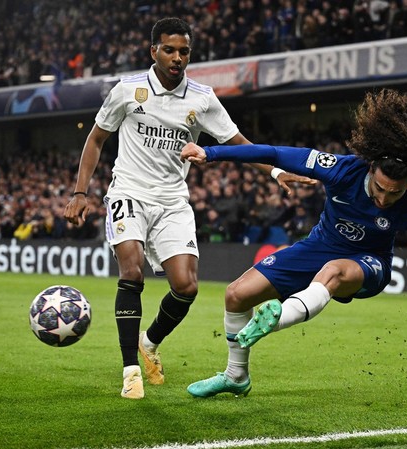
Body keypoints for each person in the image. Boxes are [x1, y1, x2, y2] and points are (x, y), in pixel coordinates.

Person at [180, 89, 407, 398]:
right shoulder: (341, 169)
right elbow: (274, 153)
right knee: (236, 295)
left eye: (395, 192)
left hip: (368, 265)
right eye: (380, 188)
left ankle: (275, 320)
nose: (384, 198)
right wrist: (211, 153)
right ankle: (237, 376)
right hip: (318, 248)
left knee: (333, 271)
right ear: (371, 166)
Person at [63, 17, 312, 400]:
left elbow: (239, 142)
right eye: (169, 49)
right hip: (128, 191)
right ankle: (131, 369)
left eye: (184, 51)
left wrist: (276, 172)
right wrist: (81, 192)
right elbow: (96, 139)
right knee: (132, 272)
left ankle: (149, 343)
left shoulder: (202, 98)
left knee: (187, 286)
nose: (177, 57)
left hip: (172, 200)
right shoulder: (127, 90)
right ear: (154, 51)